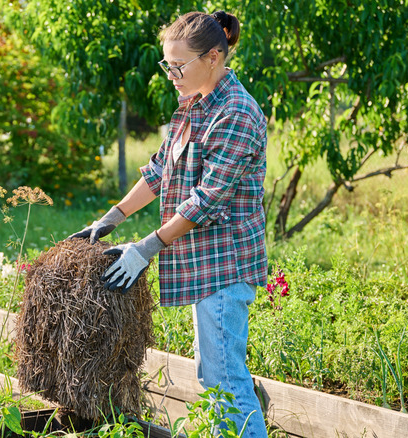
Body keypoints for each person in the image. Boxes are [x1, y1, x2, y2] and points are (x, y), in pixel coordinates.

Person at [69, 10, 268, 437]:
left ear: (213, 57)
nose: (171, 74)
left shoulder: (236, 113)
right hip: (204, 262)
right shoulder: (194, 104)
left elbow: (207, 200)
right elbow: (161, 169)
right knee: (216, 374)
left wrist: (145, 248)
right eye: (168, 65)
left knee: (225, 379)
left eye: (179, 66)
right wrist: (112, 217)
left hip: (225, 264)